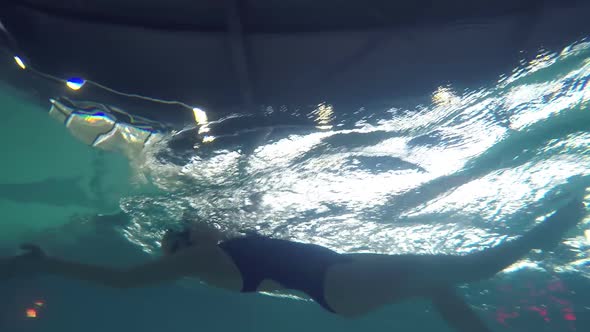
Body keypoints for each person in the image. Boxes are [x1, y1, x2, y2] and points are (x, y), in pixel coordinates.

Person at [1, 199, 586, 332]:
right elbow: (124, 279)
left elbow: (127, 279)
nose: (203, 220)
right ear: (183, 241)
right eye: (189, 225)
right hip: (339, 279)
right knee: (475, 265)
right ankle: (567, 215)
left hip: (340, 285)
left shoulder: (221, 255)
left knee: (440, 290)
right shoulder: (206, 255)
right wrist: (49, 260)